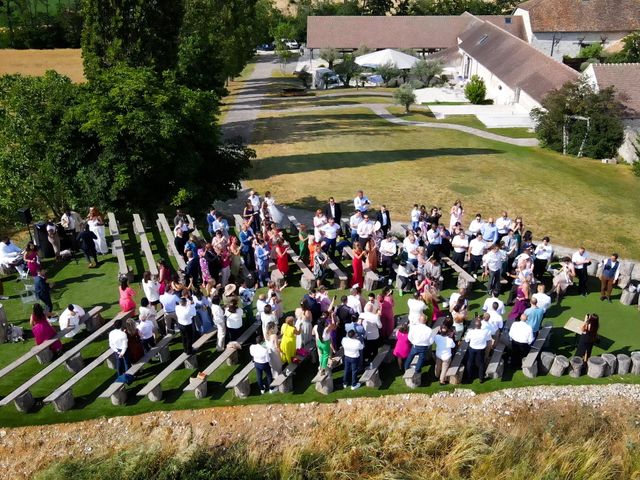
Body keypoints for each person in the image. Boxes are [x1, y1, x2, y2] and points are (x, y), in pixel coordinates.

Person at [464, 317, 492, 383]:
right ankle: (481, 378)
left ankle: (469, 377)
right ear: (481, 325)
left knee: (470, 362)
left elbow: (466, 340)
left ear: (475, 325)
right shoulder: (485, 332)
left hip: (472, 348)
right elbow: (488, 340)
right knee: (481, 363)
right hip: (481, 349)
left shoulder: (471, 332)